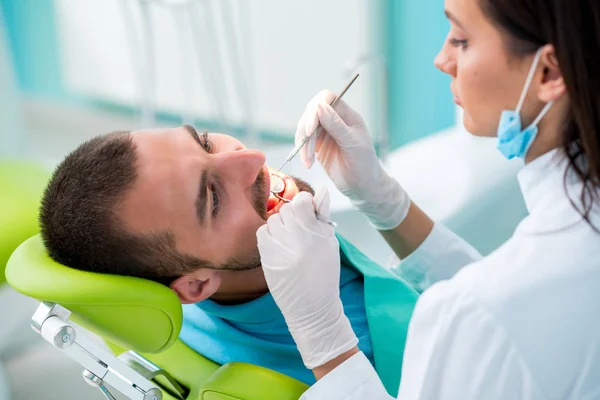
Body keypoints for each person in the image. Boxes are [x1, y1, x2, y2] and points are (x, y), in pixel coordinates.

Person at [256, 0, 600, 398]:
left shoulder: (481, 312)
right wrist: (381, 199)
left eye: (460, 39)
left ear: (548, 72)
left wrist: (324, 340)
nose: (441, 60)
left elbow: (500, 310)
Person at [38, 126, 419, 387]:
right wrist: (323, 334)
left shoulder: (171, 300)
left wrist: (383, 200)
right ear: (197, 284)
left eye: (205, 143)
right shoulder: (359, 358)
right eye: (214, 198)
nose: (251, 157)